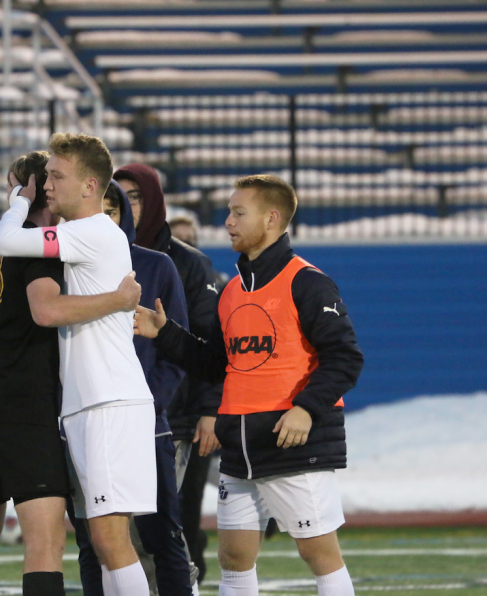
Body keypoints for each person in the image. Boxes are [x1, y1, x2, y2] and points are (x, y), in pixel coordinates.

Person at [135, 174, 364, 596]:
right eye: (229, 212)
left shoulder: (308, 282)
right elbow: (215, 364)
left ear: (272, 218)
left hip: (293, 444)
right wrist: (165, 332)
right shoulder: (232, 292)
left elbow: (346, 357)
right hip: (239, 449)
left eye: (239, 212)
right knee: (234, 558)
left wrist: (306, 409)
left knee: (320, 556)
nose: (228, 222)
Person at [0, 150, 141, 596]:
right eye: (49, 178)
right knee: (46, 540)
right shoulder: (41, 246)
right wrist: (117, 300)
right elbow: (47, 309)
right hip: (23, 408)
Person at [0, 133, 157, 596]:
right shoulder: (84, 234)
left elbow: (4, 241)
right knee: (103, 541)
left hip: (109, 400)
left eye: (57, 177)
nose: (47, 186)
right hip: (92, 402)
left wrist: (17, 202)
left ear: (89, 186)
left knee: (110, 537)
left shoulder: (90, 231)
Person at [67, 180, 194, 596]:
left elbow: (176, 346)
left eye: (113, 210)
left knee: (162, 536)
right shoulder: (66, 265)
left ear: (124, 216)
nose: (104, 218)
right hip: (82, 417)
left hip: (145, 420)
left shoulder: (156, 266)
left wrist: (145, 404)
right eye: (96, 209)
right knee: (92, 540)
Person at [114, 163, 226, 583]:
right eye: (116, 195)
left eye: (134, 194)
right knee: (114, 533)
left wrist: (211, 408)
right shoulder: (97, 257)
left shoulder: (188, 263)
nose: (124, 204)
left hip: (171, 419)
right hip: (111, 417)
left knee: (155, 531)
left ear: (154, 199)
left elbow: (211, 344)